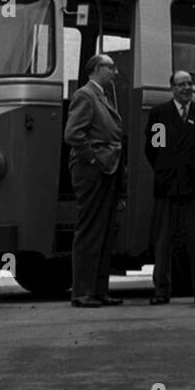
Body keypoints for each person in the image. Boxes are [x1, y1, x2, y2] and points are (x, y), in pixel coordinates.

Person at [144, 71, 195, 305]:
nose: (186, 88)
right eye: (181, 84)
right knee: (163, 241)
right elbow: (154, 150)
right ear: (172, 88)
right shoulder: (159, 115)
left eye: (189, 84)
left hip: (194, 186)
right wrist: (168, 172)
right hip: (168, 186)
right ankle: (161, 291)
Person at [64, 52, 125, 308]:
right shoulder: (85, 95)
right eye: (111, 68)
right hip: (94, 170)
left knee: (104, 230)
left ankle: (99, 291)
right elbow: (73, 134)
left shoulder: (101, 95)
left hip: (107, 167)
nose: (115, 72)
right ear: (97, 69)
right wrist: (93, 160)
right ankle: (82, 291)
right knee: (90, 229)